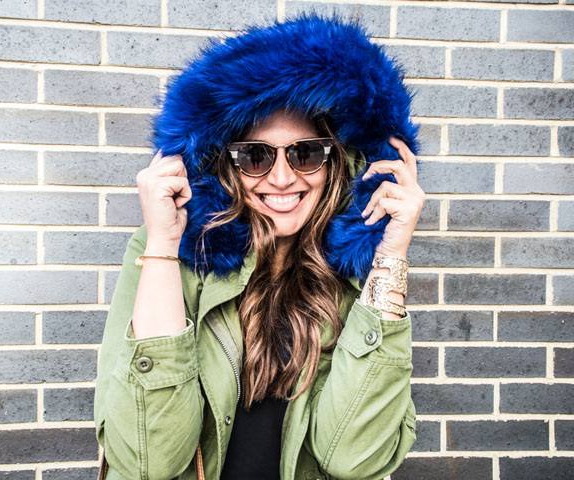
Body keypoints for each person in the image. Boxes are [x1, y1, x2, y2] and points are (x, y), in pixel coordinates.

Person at [94, 13, 425, 480]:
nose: (283, 177)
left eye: (306, 153)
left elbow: (355, 458)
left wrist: (390, 254)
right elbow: (148, 461)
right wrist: (165, 246)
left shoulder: (359, 279)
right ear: (225, 165)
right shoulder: (166, 255)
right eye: (255, 155)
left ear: (335, 161)